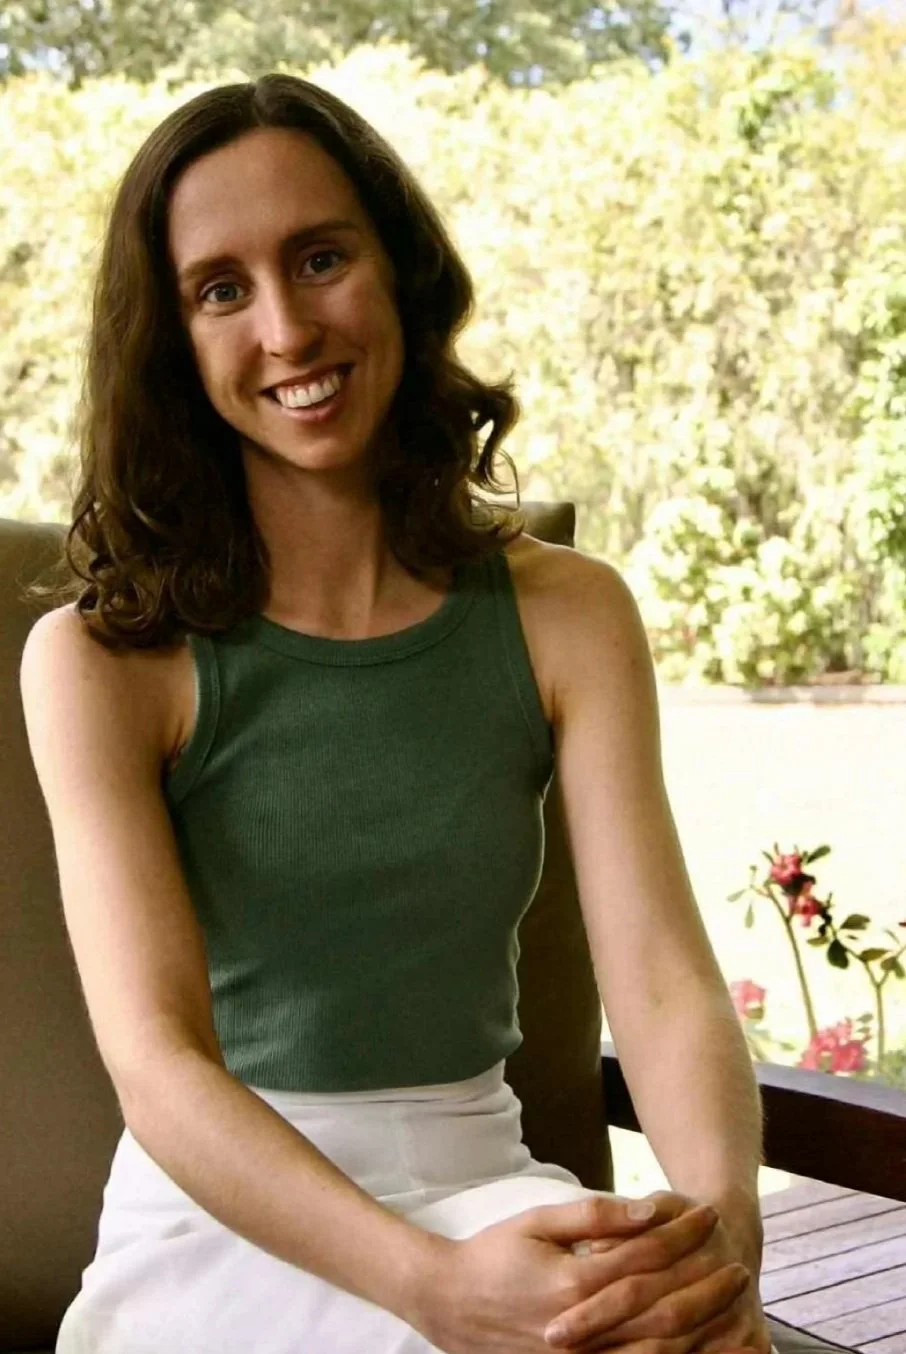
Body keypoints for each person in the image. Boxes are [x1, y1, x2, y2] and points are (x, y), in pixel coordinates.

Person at [19, 72, 833, 1354]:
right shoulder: (100, 661)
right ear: (172, 341)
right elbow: (161, 1064)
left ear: (399, 269)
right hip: (221, 1229)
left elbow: (666, 984)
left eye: (321, 257)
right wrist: (430, 1291)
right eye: (220, 289)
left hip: (490, 1183)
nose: (287, 328)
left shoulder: (570, 616)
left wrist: (721, 1232)